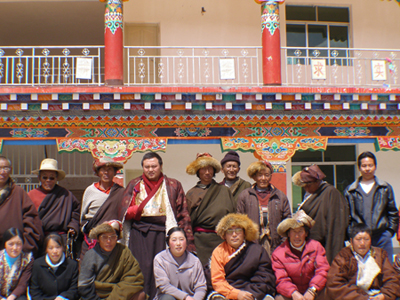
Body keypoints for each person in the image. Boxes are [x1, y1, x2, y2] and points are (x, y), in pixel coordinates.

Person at [122, 152, 194, 300]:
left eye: (154, 166)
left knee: (162, 269)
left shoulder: (173, 185)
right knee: (139, 267)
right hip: (139, 233)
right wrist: (135, 211)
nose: (150, 170)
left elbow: (183, 214)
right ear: (142, 167)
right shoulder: (134, 184)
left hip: (162, 233)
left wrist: (186, 239)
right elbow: (123, 211)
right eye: (147, 166)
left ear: (160, 166)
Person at [344, 151, 399, 261]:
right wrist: (352, 235)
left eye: (370, 165)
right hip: (360, 239)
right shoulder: (351, 191)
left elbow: (393, 212)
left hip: (381, 237)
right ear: (359, 167)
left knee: (385, 270)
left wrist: (389, 232)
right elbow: (347, 216)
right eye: (364, 166)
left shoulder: (385, 188)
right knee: (361, 271)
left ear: (375, 166)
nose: (367, 168)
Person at [208, 213, 275, 300]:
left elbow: (264, 277)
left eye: (238, 230)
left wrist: (249, 295)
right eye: (229, 231)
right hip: (227, 291)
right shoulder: (218, 252)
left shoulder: (257, 251)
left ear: (244, 233)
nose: (234, 235)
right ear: (224, 235)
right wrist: (236, 294)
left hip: (252, 291)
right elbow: (218, 281)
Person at [185, 153, 236, 266]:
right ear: (198, 171)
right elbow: (187, 220)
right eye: (203, 169)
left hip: (221, 240)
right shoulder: (191, 194)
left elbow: (233, 216)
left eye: (210, 169)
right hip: (200, 241)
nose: (207, 172)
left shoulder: (224, 191)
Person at [326, 224, 400, 300]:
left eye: (366, 239)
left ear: (371, 240)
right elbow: (335, 284)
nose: (362, 243)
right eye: (358, 239)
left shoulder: (380, 255)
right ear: (351, 241)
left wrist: (384, 295)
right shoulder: (343, 257)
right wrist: (364, 298)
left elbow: (392, 279)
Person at [292, 164, 349, 264]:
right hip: (310, 242)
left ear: (317, 181)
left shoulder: (331, 193)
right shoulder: (312, 193)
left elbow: (335, 222)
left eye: (308, 185)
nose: (306, 189)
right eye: (304, 186)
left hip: (327, 242)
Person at [78, 220, 146, 300]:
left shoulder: (124, 252)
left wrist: (115, 297)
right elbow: (84, 286)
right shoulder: (90, 255)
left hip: (118, 294)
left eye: (113, 237)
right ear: (98, 239)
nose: (109, 241)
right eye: (104, 237)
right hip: (96, 295)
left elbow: (134, 278)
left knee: (140, 295)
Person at [272, 210, 330, 300]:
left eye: (300, 231)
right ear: (288, 234)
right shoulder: (278, 254)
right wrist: (294, 293)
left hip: (314, 291)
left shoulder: (316, 247)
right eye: (293, 232)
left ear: (306, 233)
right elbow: (281, 279)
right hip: (292, 295)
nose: (297, 236)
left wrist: (312, 290)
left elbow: (323, 270)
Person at [237, 160, 291, 255]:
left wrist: (283, 243)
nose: (263, 178)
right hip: (251, 244)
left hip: (275, 244)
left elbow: (287, 221)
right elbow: (240, 221)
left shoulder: (280, 196)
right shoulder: (245, 195)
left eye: (266, 175)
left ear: (270, 176)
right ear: (254, 177)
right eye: (260, 175)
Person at [28, 159, 80, 250]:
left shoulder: (65, 194)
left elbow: (77, 212)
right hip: (39, 238)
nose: (48, 180)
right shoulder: (31, 195)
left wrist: (73, 226)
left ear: (56, 179)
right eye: (45, 177)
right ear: (39, 178)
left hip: (60, 239)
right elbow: (26, 216)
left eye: (51, 178)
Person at [80, 157, 125, 259]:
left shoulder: (121, 192)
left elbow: (123, 218)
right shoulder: (89, 191)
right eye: (102, 169)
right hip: (92, 240)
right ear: (98, 172)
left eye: (109, 169)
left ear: (114, 172)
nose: (106, 172)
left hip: (112, 241)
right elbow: (82, 217)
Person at [0, 156, 43, 257]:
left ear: (10, 170)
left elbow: (32, 219)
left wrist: (25, 246)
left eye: (5, 168)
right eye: (0, 168)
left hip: (14, 250)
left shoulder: (18, 193)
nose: (2, 172)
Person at [153, 227, 207, 300]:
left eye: (181, 239)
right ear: (168, 242)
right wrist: (185, 297)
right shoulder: (160, 259)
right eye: (174, 240)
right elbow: (164, 286)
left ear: (186, 241)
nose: (178, 243)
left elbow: (201, 287)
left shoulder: (195, 261)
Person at [29, 233, 79, 300]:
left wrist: (62, 297)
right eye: (50, 248)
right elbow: (34, 291)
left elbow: (74, 289)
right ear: (46, 250)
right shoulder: (37, 265)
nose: (55, 251)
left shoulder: (72, 265)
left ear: (63, 248)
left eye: (58, 247)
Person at [0, 228, 34, 300]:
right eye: (11, 244)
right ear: (5, 244)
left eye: (18, 244)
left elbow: (22, 284)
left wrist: (12, 297)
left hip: (15, 295)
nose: (15, 248)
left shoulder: (28, 259)